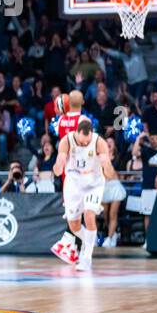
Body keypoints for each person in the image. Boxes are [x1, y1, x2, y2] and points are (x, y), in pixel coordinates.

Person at [52, 119, 115, 271]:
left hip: (93, 184)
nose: (85, 144)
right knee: (74, 224)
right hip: (74, 184)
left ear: (91, 134)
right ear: (76, 133)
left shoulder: (99, 142)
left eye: (87, 142)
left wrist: (106, 163)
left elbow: (110, 175)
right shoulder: (66, 141)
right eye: (82, 142)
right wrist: (59, 162)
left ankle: (87, 257)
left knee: (89, 214)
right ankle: (89, 241)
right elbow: (57, 171)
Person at [49, 88, 91, 263]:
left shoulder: (60, 122)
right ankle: (76, 246)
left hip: (67, 170)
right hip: (81, 169)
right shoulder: (83, 119)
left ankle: (72, 246)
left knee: (74, 210)